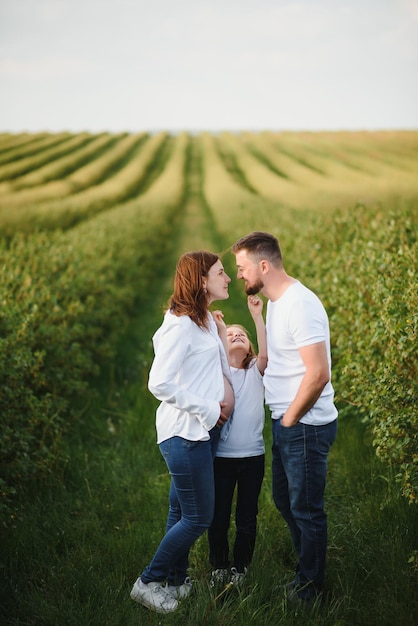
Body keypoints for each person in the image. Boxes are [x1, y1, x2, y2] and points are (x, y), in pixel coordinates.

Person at [231, 232, 338, 606]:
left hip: (304, 424)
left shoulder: (300, 304)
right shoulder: (276, 303)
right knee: (285, 500)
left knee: (306, 509)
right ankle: (309, 568)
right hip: (287, 423)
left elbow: (318, 373)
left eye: (242, 269)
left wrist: (291, 418)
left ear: (264, 265)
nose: (240, 276)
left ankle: (310, 589)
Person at [130, 251, 234, 614]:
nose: (229, 278)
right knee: (198, 517)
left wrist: (221, 333)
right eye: (221, 273)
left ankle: (175, 581)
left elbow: (217, 368)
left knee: (179, 510)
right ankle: (148, 582)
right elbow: (158, 382)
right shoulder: (180, 325)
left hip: (199, 433)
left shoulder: (202, 320)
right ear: (202, 280)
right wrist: (207, 409)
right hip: (184, 434)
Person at [208, 294, 267, 588]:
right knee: (218, 516)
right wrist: (219, 328)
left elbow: (267, 356)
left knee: (246, 516)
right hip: (222, 459)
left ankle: (240, 569)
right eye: (231, 334)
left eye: (242, 334)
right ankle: (219, 567)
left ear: (250, 349)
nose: (236, 335)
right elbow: (215, 350)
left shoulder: (255, 372)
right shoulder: (219, 372)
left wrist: (256, 316)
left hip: (253, 458)